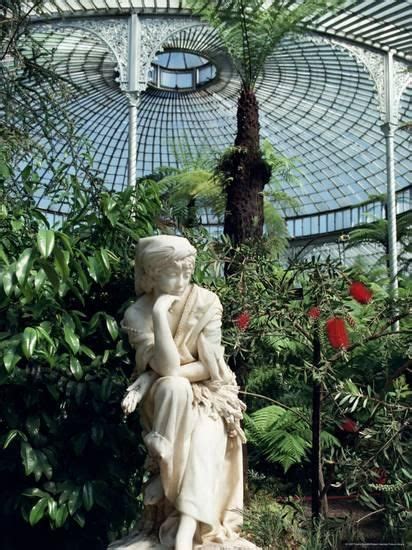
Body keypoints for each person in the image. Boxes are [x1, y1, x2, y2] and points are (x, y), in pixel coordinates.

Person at [120, 235, 246, 549]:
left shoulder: (206, 302)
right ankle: (163, 451)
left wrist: (166, 374)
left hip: (209, 392)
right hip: (163, 399)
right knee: (173, 387)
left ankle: (186, 531)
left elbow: (209, 367)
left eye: (187, 273)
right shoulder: (137, 314)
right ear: (150, 275)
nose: (181, 281)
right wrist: (160, 314)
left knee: (205, 438)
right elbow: (165, 366)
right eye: (172, 274)